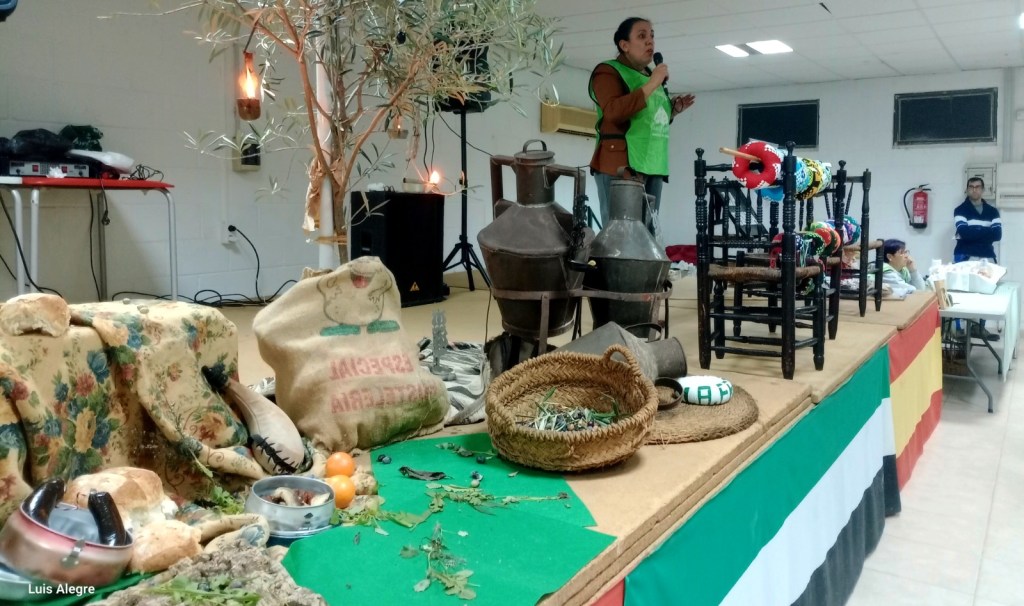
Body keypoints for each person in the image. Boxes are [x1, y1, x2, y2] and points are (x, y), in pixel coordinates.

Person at [589, 17, 695, 239]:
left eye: (652, 36)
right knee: (620, 235)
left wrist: (673, 111)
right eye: (642, 36)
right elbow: (614, 112)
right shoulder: (608, 71)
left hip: (652, 163)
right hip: (621, 164)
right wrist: (653, 83)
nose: (650, 42)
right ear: (624, 45)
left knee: (647, 235)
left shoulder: (649, 76)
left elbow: (648, 119)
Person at [954, 177, 1001, 263]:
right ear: (967, 190)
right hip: (965, 256)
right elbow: (964, 234)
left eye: (977, 187)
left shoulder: (993, 212)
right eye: (971, 187)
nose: (974, 190)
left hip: (988, 256)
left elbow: (997, 235)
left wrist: (973, 230)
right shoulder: (960, 210)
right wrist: (988, 231)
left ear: (983, 190)